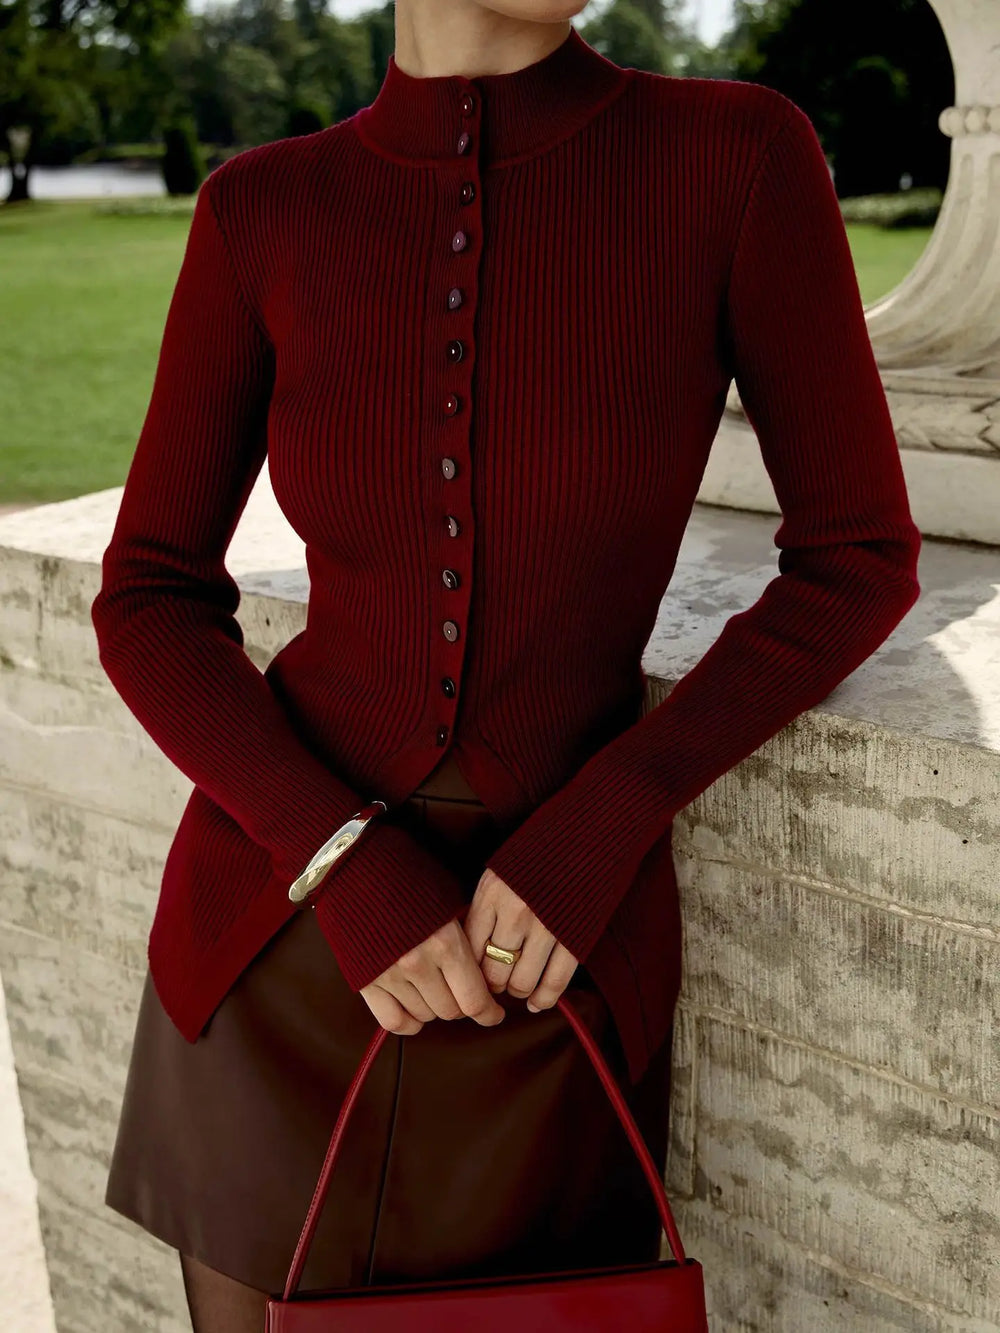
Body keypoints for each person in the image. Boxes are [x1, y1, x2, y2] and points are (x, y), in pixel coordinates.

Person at [92, 5, 922, 1331]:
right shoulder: (263, 208)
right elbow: (148, 596)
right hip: (280, 928)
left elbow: (858, 557)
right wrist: (341, 859)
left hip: (543, 957)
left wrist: (610, 814)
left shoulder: (734, 157)